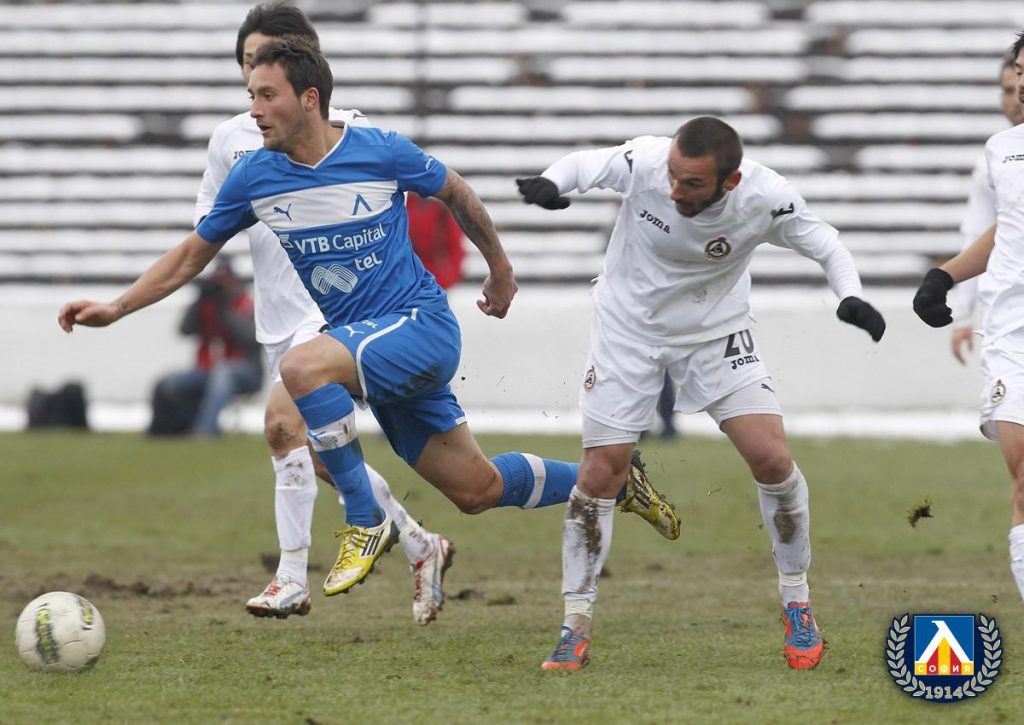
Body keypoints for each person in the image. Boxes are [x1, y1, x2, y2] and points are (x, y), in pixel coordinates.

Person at [57, 37, 679, 620]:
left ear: (309, 99)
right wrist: (116, 307)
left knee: (300, 369)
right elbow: (192, 254)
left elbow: (455, 190)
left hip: (419, 327)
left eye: (267, 95)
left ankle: (365, 520)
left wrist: (500, 271)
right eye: (250, 96)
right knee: (476, 489)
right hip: (369, 350)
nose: (254, 111)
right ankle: (613, 479)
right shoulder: (254, 177)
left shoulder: (377, 149)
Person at [516, 116, 886, 671]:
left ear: (729, 181)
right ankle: (575, 625)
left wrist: (850, 296)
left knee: (772, 459)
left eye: (691, 183)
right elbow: (585, 164)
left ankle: (798, 604)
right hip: (627, 331)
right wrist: (552, 182)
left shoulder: (766, 197)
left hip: (716, 334)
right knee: (601, 473)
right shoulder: (648, 161)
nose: (674, 190)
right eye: (673, 176)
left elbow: (826, 244)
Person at [190, 2, 453, 624]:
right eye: (248, 62)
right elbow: (207, 224)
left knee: (281, 422)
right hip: (276, 314)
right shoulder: (234, 142)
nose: (255, 72)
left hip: (333, 310)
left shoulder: (350, 132)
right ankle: (420, 544)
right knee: (313, 451)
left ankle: (291, 577)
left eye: (266, 59)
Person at [913, 31, 1024, 605]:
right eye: (1019, 73)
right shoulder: (1002, 150)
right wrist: (945, 276)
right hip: (1013, 332)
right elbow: (1005, 227)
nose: (1021, 85)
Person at [950, 54, 1024, 364]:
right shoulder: (993, 159)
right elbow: (980, 232)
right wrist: (963, 314)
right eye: (1008, 89)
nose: (1017, 96)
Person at [148, 259, 263, 437]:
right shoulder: (206, 305)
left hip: (245, 371)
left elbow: (250, 339)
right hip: (207, 371)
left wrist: (225, 310)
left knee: (223, 373)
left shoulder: (246, 304)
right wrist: (198, 301)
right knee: (169, 383)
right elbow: (184, 330)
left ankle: (205, 430)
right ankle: (173, 428)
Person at [406, 191, 465, 290]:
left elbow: (456, 249)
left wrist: (444, 279)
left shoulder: (442, 211)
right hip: (406, 277)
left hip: (434, 279)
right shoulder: (402, 204)